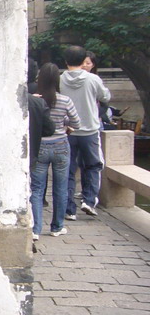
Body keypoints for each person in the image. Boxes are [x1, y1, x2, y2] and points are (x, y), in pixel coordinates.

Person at [30, 64, 80, 240]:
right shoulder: (65, 100)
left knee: (37, 188)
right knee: (61, 187)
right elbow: (77, 123)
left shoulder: (35, 99)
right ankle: (57, 226)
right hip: (60, 145)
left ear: (39, 79)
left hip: (40, 145)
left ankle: (35, 229)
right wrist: (65, 125)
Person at [60, 46, 111, 218]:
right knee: (93, 166)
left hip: (68, 131)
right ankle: (89, 201)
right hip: (89, 130)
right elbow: (106, 97)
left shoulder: (60, 80)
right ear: (83, 61)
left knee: (68, 170)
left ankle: (69, 210)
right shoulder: (93, 79)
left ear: (66, 61)